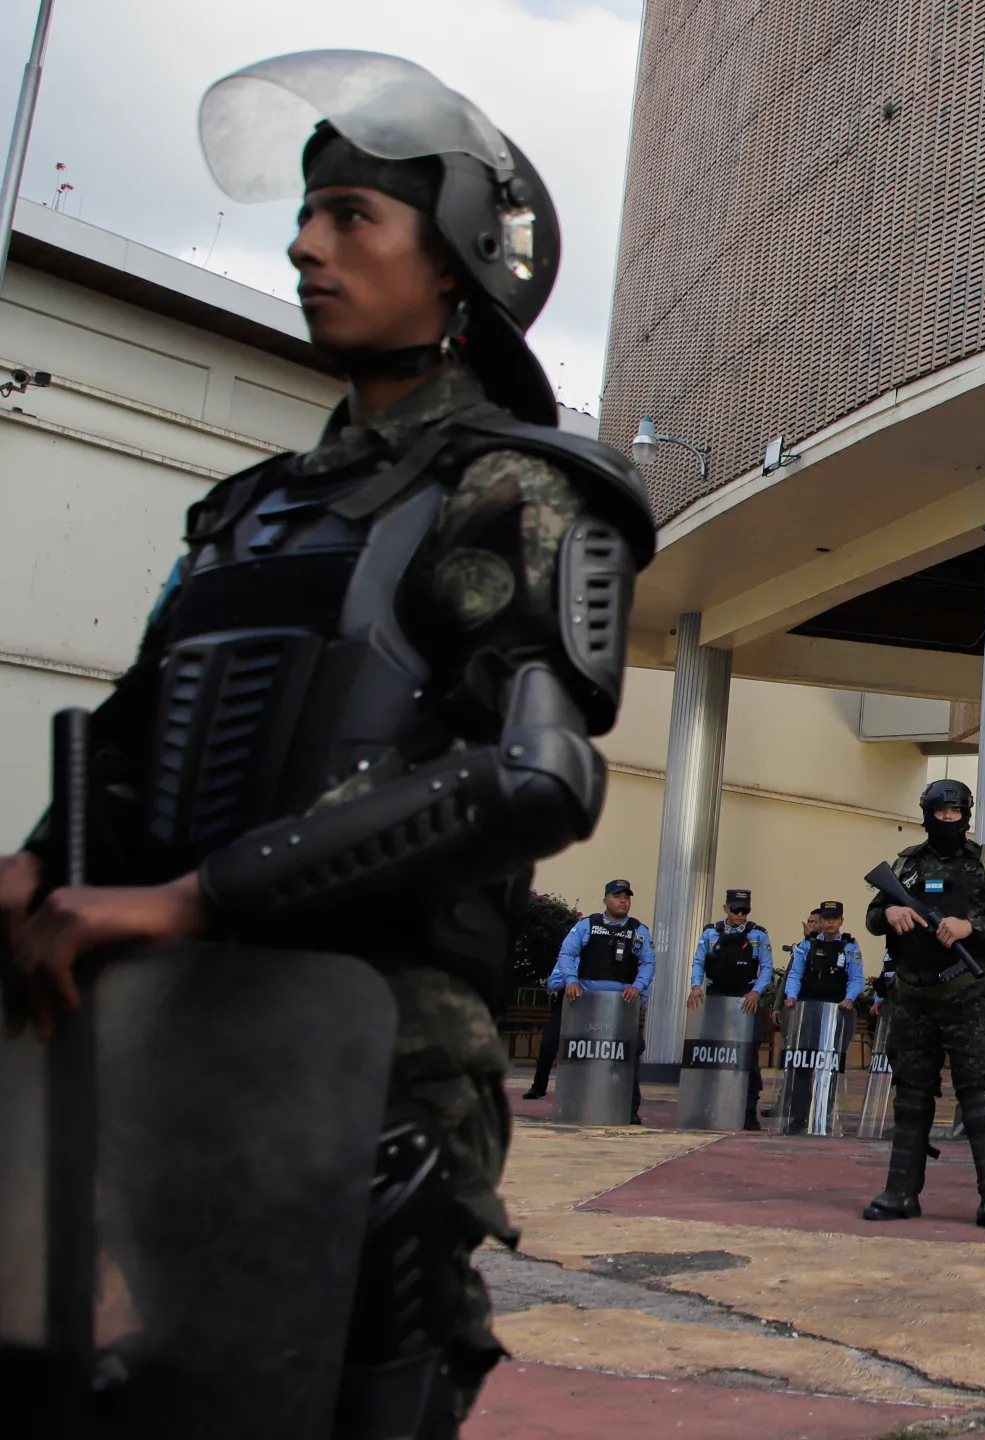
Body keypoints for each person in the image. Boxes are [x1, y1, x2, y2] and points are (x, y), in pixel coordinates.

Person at [0, 51, 655, 1433]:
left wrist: (196, 898)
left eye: (354, 216)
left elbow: (538, 778)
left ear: (461, 260)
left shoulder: (519, 489)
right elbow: (134, 736)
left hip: (373, 1052)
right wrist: (43, 861)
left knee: (348, 1394)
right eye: (308, 214)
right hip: (161, 1033)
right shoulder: (249, 511)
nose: (307, 243)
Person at [863, 779, 985, 1228]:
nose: (949, 820)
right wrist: (891, 913)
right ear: (928, 814)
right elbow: (874, 915)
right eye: (942, 814)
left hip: (966, 999)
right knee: (912, 1098)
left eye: (956, 814)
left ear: (966, 815)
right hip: (913, 999)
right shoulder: (907, 865)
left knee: (978, 1099)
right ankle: (900, 1193)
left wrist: (969, 927)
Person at [546, 880, 655, 1123]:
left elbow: (648, 963)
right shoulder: (587, 925)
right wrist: (571, 980)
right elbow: (567, 953)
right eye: (617, 895)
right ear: (605, 899)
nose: (623, 900)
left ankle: (629, 1110)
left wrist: (638, 987)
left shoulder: (639, 930)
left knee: (628, 1054)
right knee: (581, 1053)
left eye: (627, 896)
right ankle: (576, 1103)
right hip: (586, 1004)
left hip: (623, 1004)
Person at [688, 888, 775, 1129]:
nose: (740, 914)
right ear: (726, 908)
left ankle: (748, 1110)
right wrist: (696, 986)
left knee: (747, 1058)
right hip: (717, 999)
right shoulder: (710, 933)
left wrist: (757, 991)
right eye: (735, 909)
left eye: (744, 910)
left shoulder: (758, 935)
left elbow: (766, 968)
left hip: (745, 1000)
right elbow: (698, 962)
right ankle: (708, 1105)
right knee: (711, 1054)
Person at [785, 900, 865, 1011]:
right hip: (808, 1004)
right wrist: (791, 996)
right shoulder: (808, 943)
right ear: (821, 920)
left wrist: (849, 999)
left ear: (841, 921)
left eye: (835, 918)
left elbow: (856, 978)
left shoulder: (850, 946)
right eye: (827, 918)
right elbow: (795, 973)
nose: (831, 922)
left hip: (838, 1005)